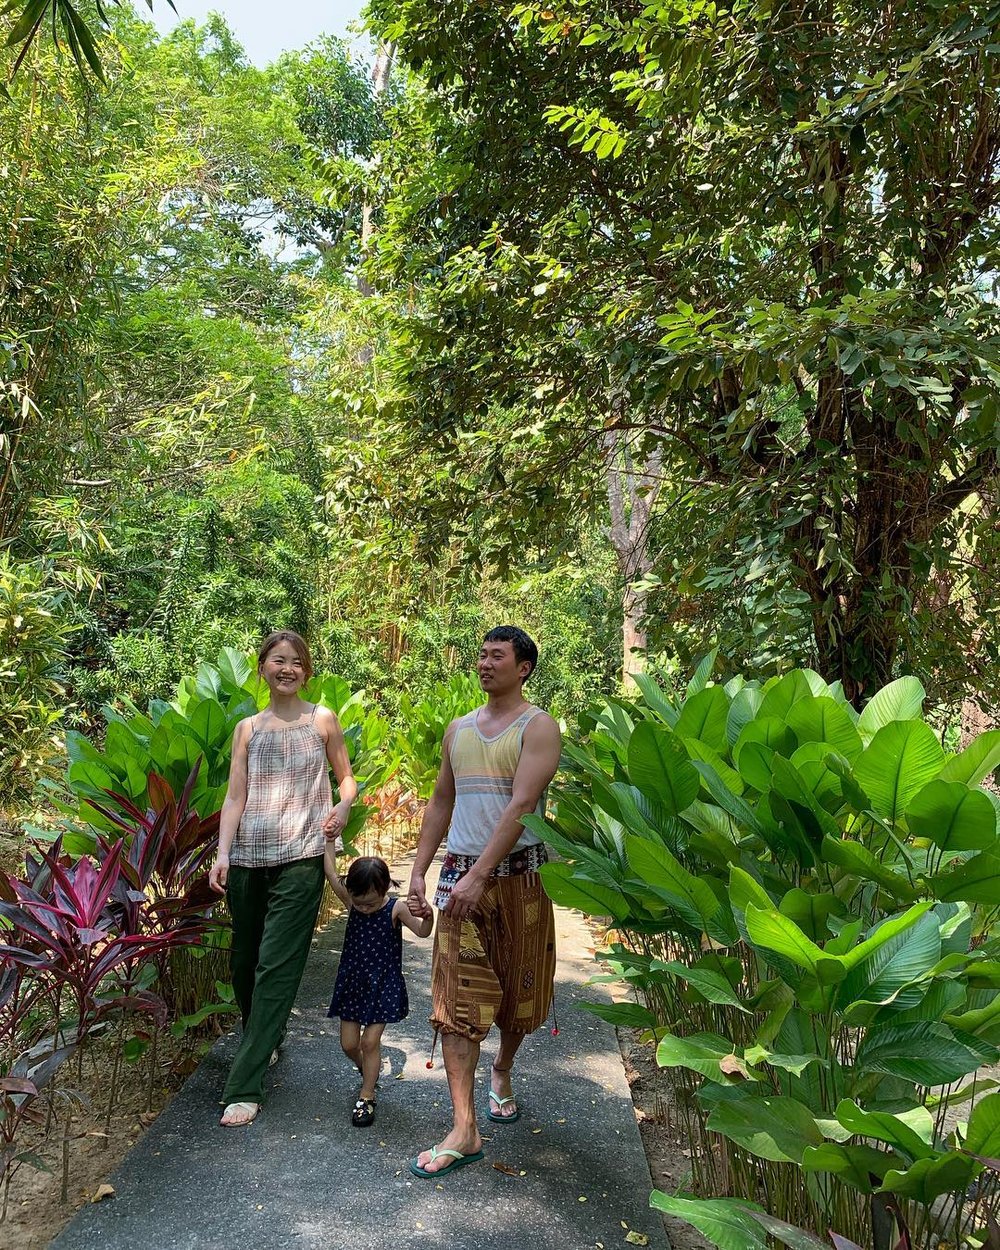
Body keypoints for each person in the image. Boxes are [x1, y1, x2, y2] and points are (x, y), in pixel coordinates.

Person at [406, 625, 562, 1178]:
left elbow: (521, 804)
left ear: (524, 667)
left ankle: (503, 1066)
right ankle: (464, 1126)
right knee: (456, 1002)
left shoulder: (537, 727)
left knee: (519, 995)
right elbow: (441, 801)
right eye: (482, 654)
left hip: (520, 883)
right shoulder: (458, 730)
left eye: (498, 655)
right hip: (459, 881)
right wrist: (421, 872)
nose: (485, 663)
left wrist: (481, 873)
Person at [208, 629, 357, 1128]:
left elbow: (346, 776)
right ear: (263, 668)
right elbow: (234, 797)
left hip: (302, 855)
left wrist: (344, 803)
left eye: (296, 661)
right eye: (278, 660)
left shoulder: (322, 720)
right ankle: (265, 1038)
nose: (287, 668)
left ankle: (243, 1084)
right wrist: (222, 853)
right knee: (244, 963)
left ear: (306, 670)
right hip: (249, 856)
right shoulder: (248, 728)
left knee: (276, 966)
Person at [324, 853, 433, 1127]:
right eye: (358, 904)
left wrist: (428, 915)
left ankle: (367, 1094)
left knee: (369, 1042)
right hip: (353, 982)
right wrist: (328, 841)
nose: (363, 909)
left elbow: (422, 932)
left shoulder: (395, 909)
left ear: (384, 890)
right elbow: (329, 871)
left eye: (369, 904)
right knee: (349, 1044)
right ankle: (367, 1070)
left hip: (382, 984)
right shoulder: (352, 901)